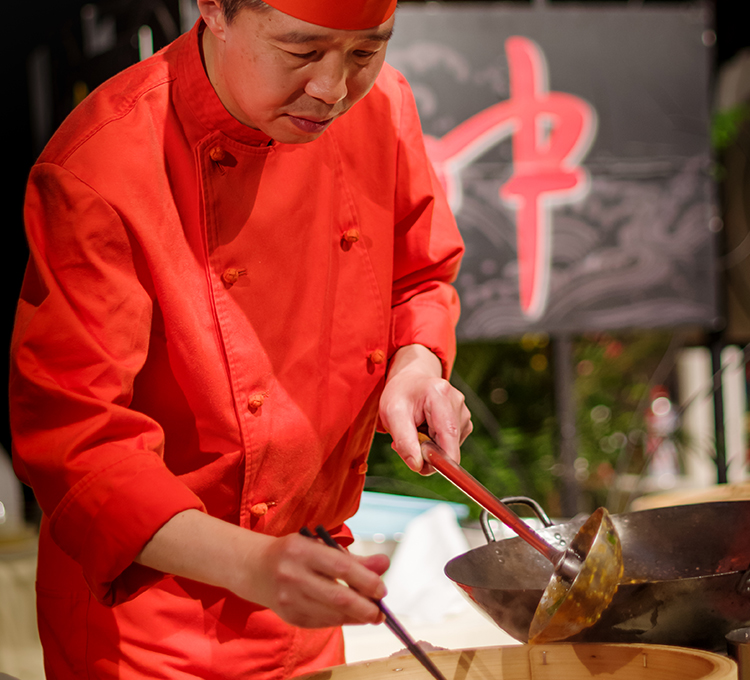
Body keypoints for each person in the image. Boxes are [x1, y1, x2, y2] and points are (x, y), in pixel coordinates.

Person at [9, 0, 471, 677]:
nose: (332, 90)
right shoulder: (103, 166)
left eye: (365, 53)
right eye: (302, 52)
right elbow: (79, 444)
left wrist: (415, 366)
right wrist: (252, 564)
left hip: (310, 585)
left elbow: (421, 276)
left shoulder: (382, 107)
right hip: (149, 620)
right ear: (214, 8)